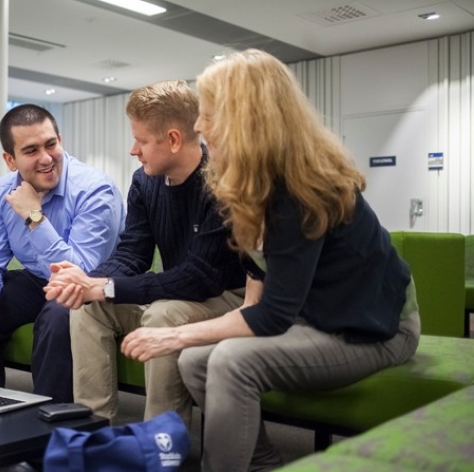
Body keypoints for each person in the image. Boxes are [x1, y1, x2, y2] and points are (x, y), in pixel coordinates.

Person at [119, 49, 422, 471]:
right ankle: (260, 461)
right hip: (314, 319)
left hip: (374, 330)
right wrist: (203, 336)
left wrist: (173, 336)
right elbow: (256, 284)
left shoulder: (302, 188)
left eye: (209, 114)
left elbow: (274, 316)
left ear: (246, 118)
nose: (200, 126)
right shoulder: (247, 181)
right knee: (197, 361)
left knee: (226, 359)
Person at [44, 80, 246, 426]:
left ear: (172, 139)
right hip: (176, 295)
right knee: (89, 311)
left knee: (162, 316)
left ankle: (161, 442)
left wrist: (107, 287)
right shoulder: (144, 181)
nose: (133, 150)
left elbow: (200, 278)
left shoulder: (222, 184)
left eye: (141, 140)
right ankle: (95, 430)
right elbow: (132, 253)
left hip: (226, 298)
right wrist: (87, 282)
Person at [0, 104, 125, 403]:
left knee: (58, 315)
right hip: (40, 279)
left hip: (93, 284)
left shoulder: (95, 189)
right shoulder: (3, 191)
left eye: (51, 144)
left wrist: (34, 216)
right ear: (10, 160)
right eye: (31, 150)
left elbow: (78, 270)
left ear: (61, 140)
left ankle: (46, 427)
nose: (46, 159)